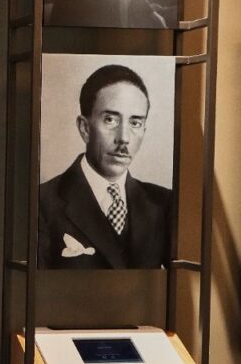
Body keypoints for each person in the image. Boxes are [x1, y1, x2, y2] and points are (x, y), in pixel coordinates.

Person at [39, 64, 171, 269]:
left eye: (135, 123)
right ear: (85, 128)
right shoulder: (43, 202)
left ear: (144, 130)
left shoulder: (164, 204)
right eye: (110, 120)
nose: (124, 138)